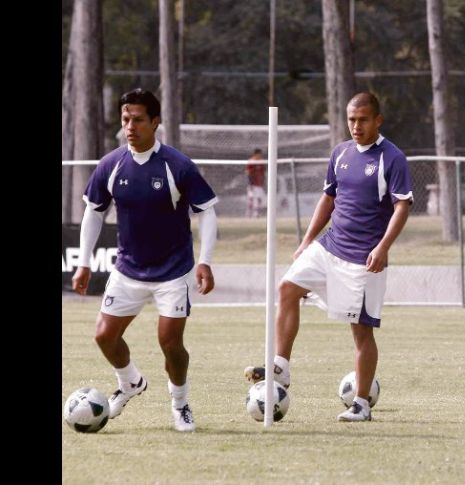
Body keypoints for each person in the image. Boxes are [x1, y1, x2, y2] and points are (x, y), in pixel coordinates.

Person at [244, 92, 413, 422]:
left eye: (363, 119)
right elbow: (328, 199)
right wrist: (307, 240)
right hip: (330, 246)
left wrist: (382, 248)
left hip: (364, 260)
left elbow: (401, 207)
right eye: (351, 119)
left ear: (377, 120)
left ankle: (361, 405)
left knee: (361, 332)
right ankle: (282, 367)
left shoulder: (392, 158)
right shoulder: (340, 153)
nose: (356, 126)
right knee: (287, 288)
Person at [71, 88, 218, 432]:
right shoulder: (111, 164)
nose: (130, 126)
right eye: (125, 119)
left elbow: (207, 213)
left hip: (173, 271)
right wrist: (84, 262)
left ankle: (180, 404)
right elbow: (94, 213)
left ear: (155, 122)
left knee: (170, 343)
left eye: (138, 120)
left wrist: (206, 261)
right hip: (128, 269)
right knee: (104, 336)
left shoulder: (177, 165)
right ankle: (130, 383)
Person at [245, 148, 266, 218]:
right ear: (256, 154)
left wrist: (263, 182)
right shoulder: (251, 161)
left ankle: (257, 214)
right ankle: (249, 213)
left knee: (259, 198)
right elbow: (248, 173)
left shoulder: (262, 161)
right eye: (259, 154)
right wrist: (250, 183)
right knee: (251, 198)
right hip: (252, 184)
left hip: (259, 184)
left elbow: (263, 173)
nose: (260, 156)